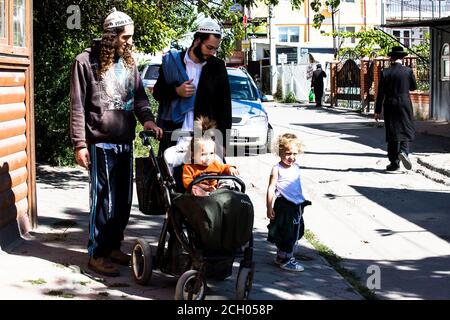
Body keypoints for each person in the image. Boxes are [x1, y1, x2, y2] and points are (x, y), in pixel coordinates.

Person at [70, 8, 163, 277]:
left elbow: (141, 99)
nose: (130, 42)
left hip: (125, 141)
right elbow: (77, 107)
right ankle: (97, 253)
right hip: (100, 144)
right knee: (103, 201)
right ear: (111, 36)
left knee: (123, 201)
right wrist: (79, 143)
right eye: (126, 37)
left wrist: (148, 120)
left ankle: (112, 247)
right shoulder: (85, 62)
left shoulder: (130, 64)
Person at [152, 18, 232, 156]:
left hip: (205, 141)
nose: (212, 52)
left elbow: (224, 108)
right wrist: (176, 91)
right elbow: (158, 93)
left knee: (205, 178)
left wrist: (223, 144)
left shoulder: (217, 66)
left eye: (215, 49)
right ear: (197, 40)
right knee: (172, 177)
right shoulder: (173, 62)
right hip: (174, 136)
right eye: (209, 47)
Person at [266, 133, 307, 272]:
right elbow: (271, 187)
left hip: (296, 205)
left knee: (296, 230)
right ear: (280, 152)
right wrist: (269, 206)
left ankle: (281, 256)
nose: (292, 157)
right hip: (284, 205)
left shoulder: (297, 167)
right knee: (287, 232)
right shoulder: (276, 169)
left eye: (295, 153)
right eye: (288, 153)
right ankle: (288, 259)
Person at [375, 46, 417, 171]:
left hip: (390, 104)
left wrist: (377, 111)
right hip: (404, 103)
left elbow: (380, 93)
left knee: (392, 131)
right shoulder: (408, 71)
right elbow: (413, 87)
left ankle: (394, 162)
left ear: (391, 58)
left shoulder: (385, 72)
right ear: (403, 58)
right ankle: (404, 152)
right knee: (405, 128)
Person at [182, 117, 239, 196]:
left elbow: (223, 168)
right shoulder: (189, 167)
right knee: (193, 189)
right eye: (203, 154)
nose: (208, 157)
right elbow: (187, 182)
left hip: (215, 190)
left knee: (228, 179)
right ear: (192, 155)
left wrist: (230, 168)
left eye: (211, 153)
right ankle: (206, 194)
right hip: (199, 194)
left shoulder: (214, 163)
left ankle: (223, 190)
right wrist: (203, 187)